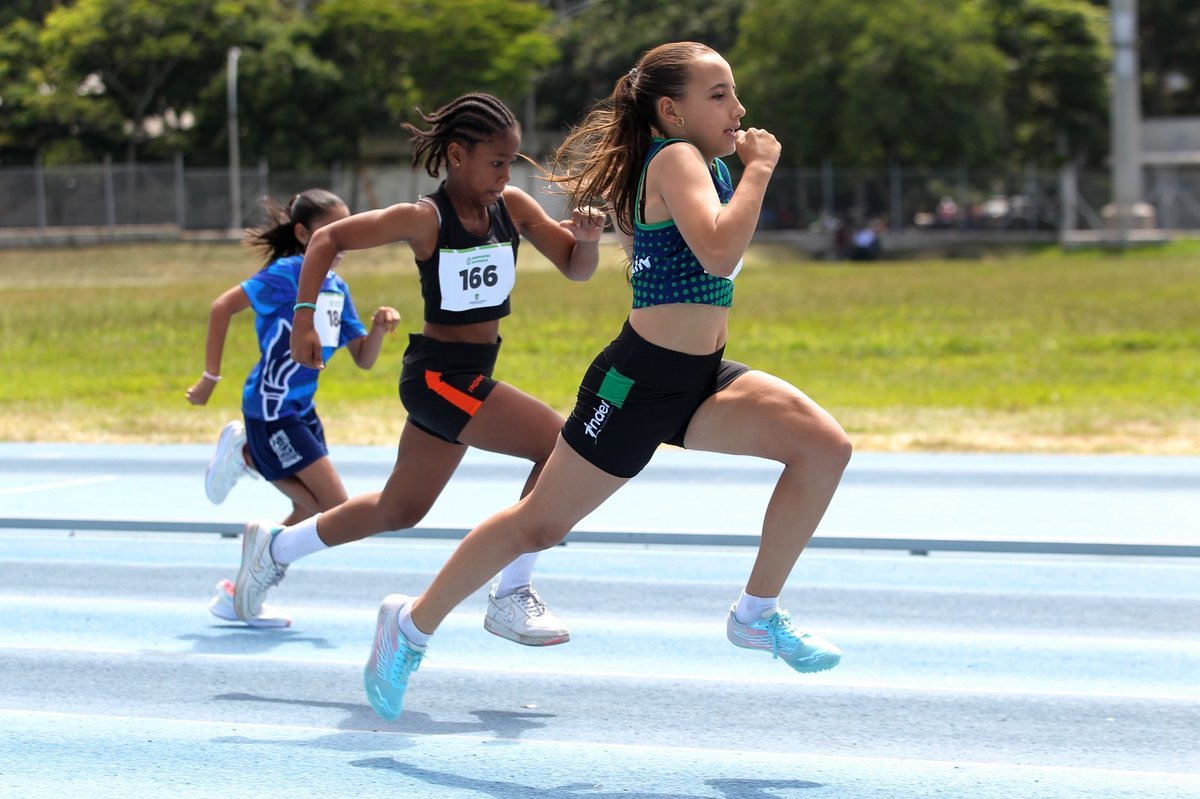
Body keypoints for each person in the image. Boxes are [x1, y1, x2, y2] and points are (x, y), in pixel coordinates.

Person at [357, 42, 853, 721]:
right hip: (637, 383)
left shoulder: (703, 164)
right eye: (719, 95)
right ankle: (409, 627)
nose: (738, 109)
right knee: (537, 524)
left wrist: (733, 177)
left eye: (735, 94)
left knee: (824, 447)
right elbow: (718, 247)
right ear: (671, 109)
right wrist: (761, 170)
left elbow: (690, 254)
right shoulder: (678, 157)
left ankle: (756, 613)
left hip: (702, 378)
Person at [235, 93, 604, 643]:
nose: (506, 174)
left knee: (399, 508)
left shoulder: (515, 210)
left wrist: (591, 240)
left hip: (463, 377)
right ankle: (512, 590)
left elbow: (577, 268)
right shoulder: (425, 218)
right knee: (559, 445)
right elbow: (331, 237)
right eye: (496, 162)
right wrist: (304, 318)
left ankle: (275, 547)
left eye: (512, 162)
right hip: (441, 378)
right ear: (457, 155)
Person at [186, 188, 402, 627]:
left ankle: (239, 590)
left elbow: (362, 357)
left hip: (302, 411)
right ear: (303, 234)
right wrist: (210, 377)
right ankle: (247, 454)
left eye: (345, 231)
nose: (340, 242)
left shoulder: (337, 288)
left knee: (314, 512)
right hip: (272, 410)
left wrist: (378, 328)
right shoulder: (287, 274)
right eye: (330, 231)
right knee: (337, 507)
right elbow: (222, 307)